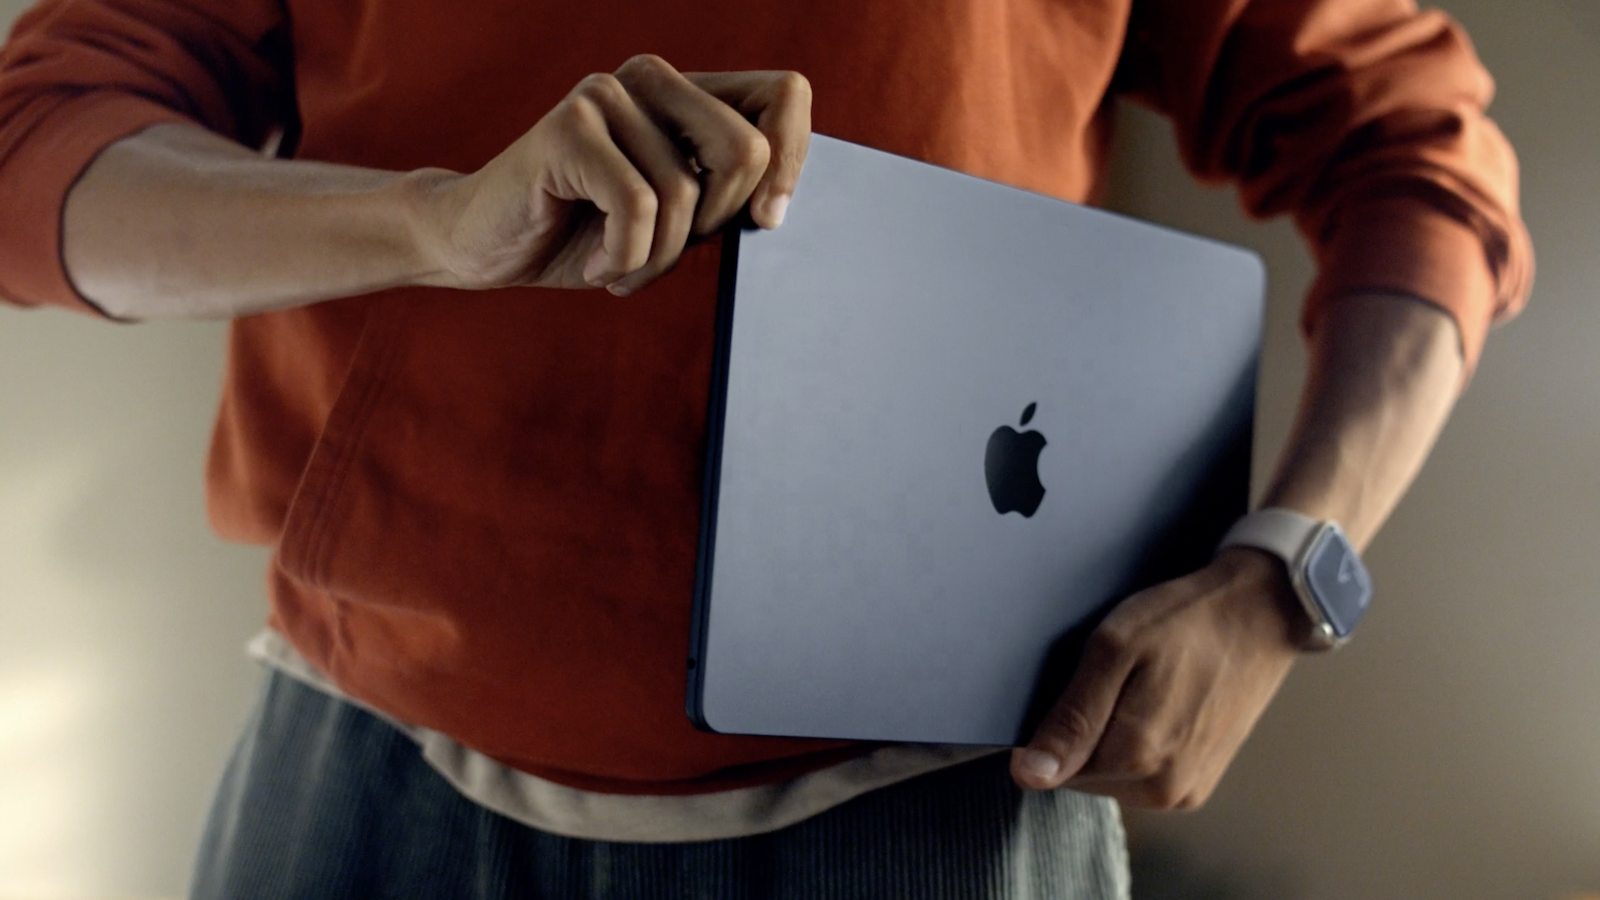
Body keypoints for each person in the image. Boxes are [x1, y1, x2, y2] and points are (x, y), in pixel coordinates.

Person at [0, 0, 1531, 896]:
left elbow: (1421, 154)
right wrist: (431, 222)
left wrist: (1289, 575)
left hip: (942, 805)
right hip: (365, 779)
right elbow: (42, 151)